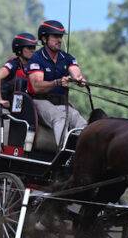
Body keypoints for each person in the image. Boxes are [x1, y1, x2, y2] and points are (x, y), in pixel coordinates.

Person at [27, 19, 88, 147]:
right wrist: (57, 82)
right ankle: (63, 151)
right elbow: (37, 86)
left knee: (81, 122)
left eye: (60, 36)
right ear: (44, 39)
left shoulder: (67, 58)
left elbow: (76, 73)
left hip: (61, 103)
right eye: (55, 36)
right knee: (59, 118)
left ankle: (82, 151)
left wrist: (80, 80)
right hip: (39, 102)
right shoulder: (36, 58)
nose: (59, 40)